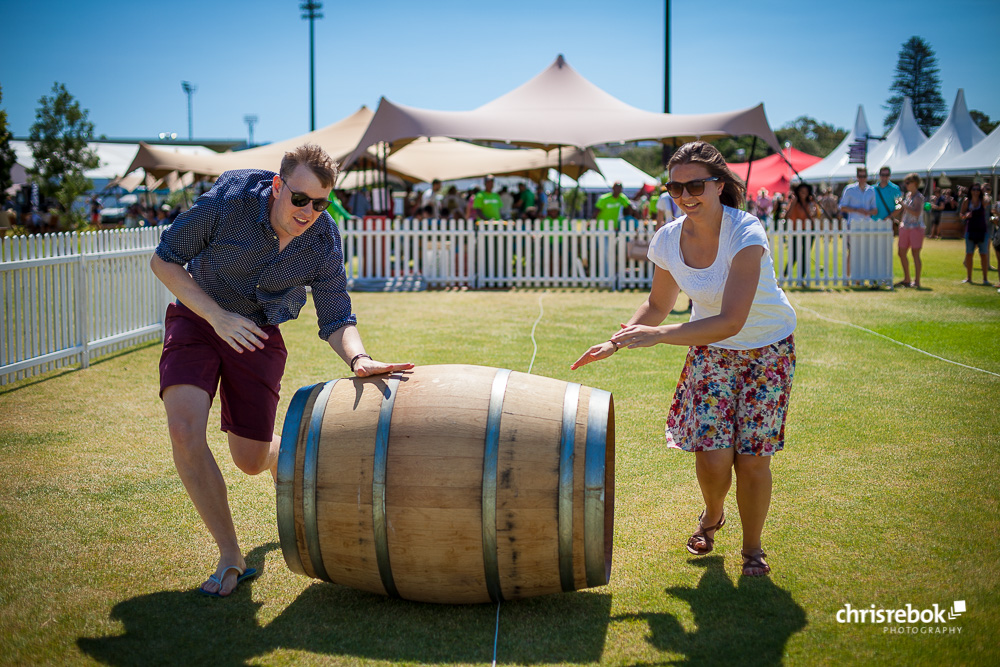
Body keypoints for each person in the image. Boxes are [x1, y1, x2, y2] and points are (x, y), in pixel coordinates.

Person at [150, 144, 413, 598]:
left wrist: (359, 359)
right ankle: (231, 555)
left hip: (258, 333)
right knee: (183, 428)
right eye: (299, 199)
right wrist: (216, 316)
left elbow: (336, 317)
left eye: (320, 203)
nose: (309, 211)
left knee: (249, 461)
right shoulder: (230, 198)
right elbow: (164, 259)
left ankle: (275, 456)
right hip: (199, 317)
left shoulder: (323, 238)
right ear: (278, 186)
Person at [571, 141, 796, 578]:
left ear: (719, 184)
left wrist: (657, 337)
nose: (685, 195)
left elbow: (731, 321)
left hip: (767, 350)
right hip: (710, 352)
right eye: (675, 187)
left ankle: (753, 549)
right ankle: (712, 516)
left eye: (695, 184)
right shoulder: (668, 239)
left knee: (751, 458)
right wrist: (617, 341)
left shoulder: (745, 231)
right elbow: (657, 304)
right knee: (712, 457)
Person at [838, 167, 877, 281]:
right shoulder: (849, 189)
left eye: (864, 176)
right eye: (860, 176)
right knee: (853, 251)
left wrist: (868, 212)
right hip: (853, 224)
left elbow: (875, 209)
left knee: (865, 251)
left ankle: (861, 277)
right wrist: (856, 210)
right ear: (857, 177)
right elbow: (842, 207)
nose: (862, 179)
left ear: (867, 177)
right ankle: (848, 276)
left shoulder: (871, 190)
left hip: (866, 224)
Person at [784, 182, 820, 283]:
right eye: (801, 191)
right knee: (794, 255)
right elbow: (787, 216)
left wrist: (815, 203)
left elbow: (817, 215)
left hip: (808, 232)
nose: (803, 193)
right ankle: (785, 274)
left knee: (805, 255)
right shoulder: (795, 202)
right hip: (796, 232)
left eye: (805, 192)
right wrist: (793, 203)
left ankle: (802, 277)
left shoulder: (810, 203)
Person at [896, 173, 926, 288]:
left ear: (915, 183)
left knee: (915, 254)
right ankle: (907, 279)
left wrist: (903, 205)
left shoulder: (918, 197)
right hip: (906, 227)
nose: (906, 185)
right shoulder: (908, 195)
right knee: (901, 252)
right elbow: (905, 211)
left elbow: (916, 212)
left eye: (908, 182)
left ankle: (917, 281)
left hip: (916, 228)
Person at [960, 183, 991, 285]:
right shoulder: (966, 201)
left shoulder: (983, 200)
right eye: (974, 189)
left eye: (978, 190)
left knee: (983, 254)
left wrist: (984, 191)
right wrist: (965, 216)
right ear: (970, 190)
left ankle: (985, 279)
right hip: (970, 230)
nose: (976, 191)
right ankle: (969, 278)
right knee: (969, 254)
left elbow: (988, 200)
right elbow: (961, 214)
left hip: (982, 230)